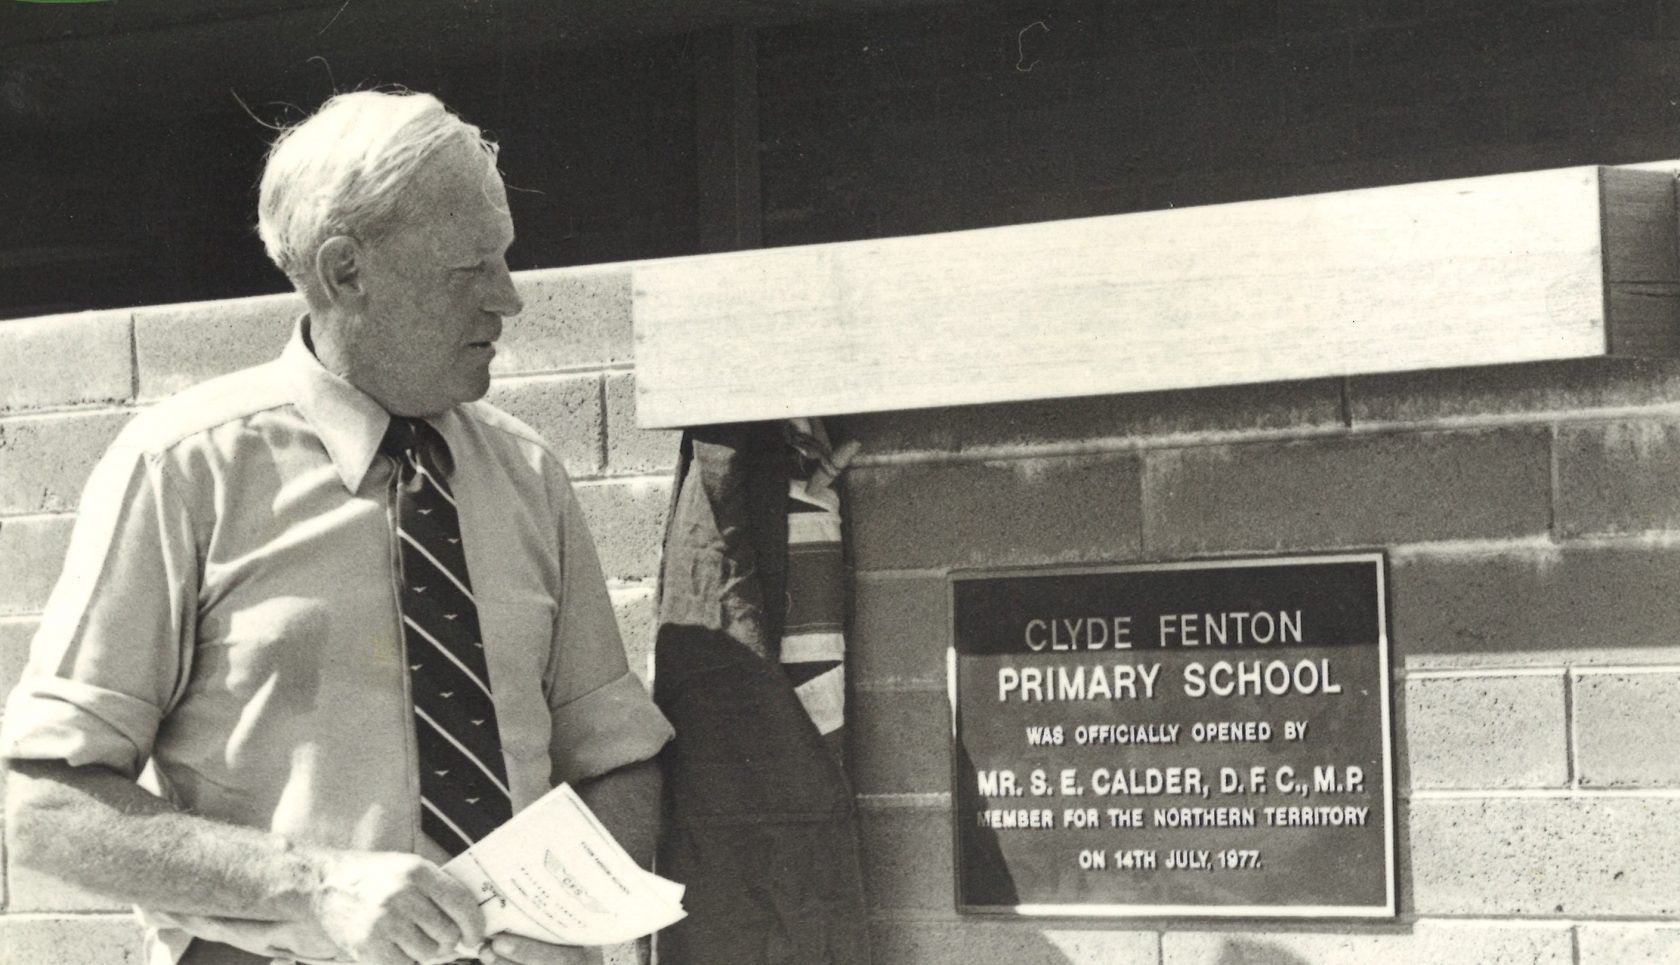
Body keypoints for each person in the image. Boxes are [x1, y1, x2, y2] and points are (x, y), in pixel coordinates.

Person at [0, 90, 673, 965]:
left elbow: (619, 761)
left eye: (505, 260)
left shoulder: (529, 474)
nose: (508, 299)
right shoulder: (183, 469)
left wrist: (567, 926)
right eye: (470, 269)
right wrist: (316, 886)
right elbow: (44, 813)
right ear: (346, 270)